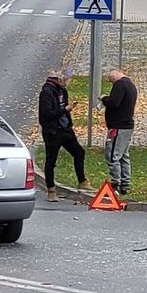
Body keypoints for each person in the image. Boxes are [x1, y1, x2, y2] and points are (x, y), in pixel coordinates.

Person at [38, 71, 89, 202]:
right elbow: (47, 113)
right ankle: (51, 190)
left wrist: (68, 118)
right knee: (51, 160)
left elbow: (63, 108)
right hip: (52, 132)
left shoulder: (62, 91)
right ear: (57, 80)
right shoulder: (46, 93)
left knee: (79, 152)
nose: (67, 81)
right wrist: (65, 109)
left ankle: (82, 181)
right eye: (65, 79)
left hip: (65, 129)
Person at [100, 68, 137, 195]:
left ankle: (115, 183)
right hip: (127, 126)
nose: (111, 83)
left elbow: (114, 103)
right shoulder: (130, 85)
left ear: (115, 74)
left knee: (112, 155)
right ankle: (125, 183)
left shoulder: (120, 84)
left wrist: (104, 98)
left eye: (110, 80)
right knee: (123, 155)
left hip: (118, 126)